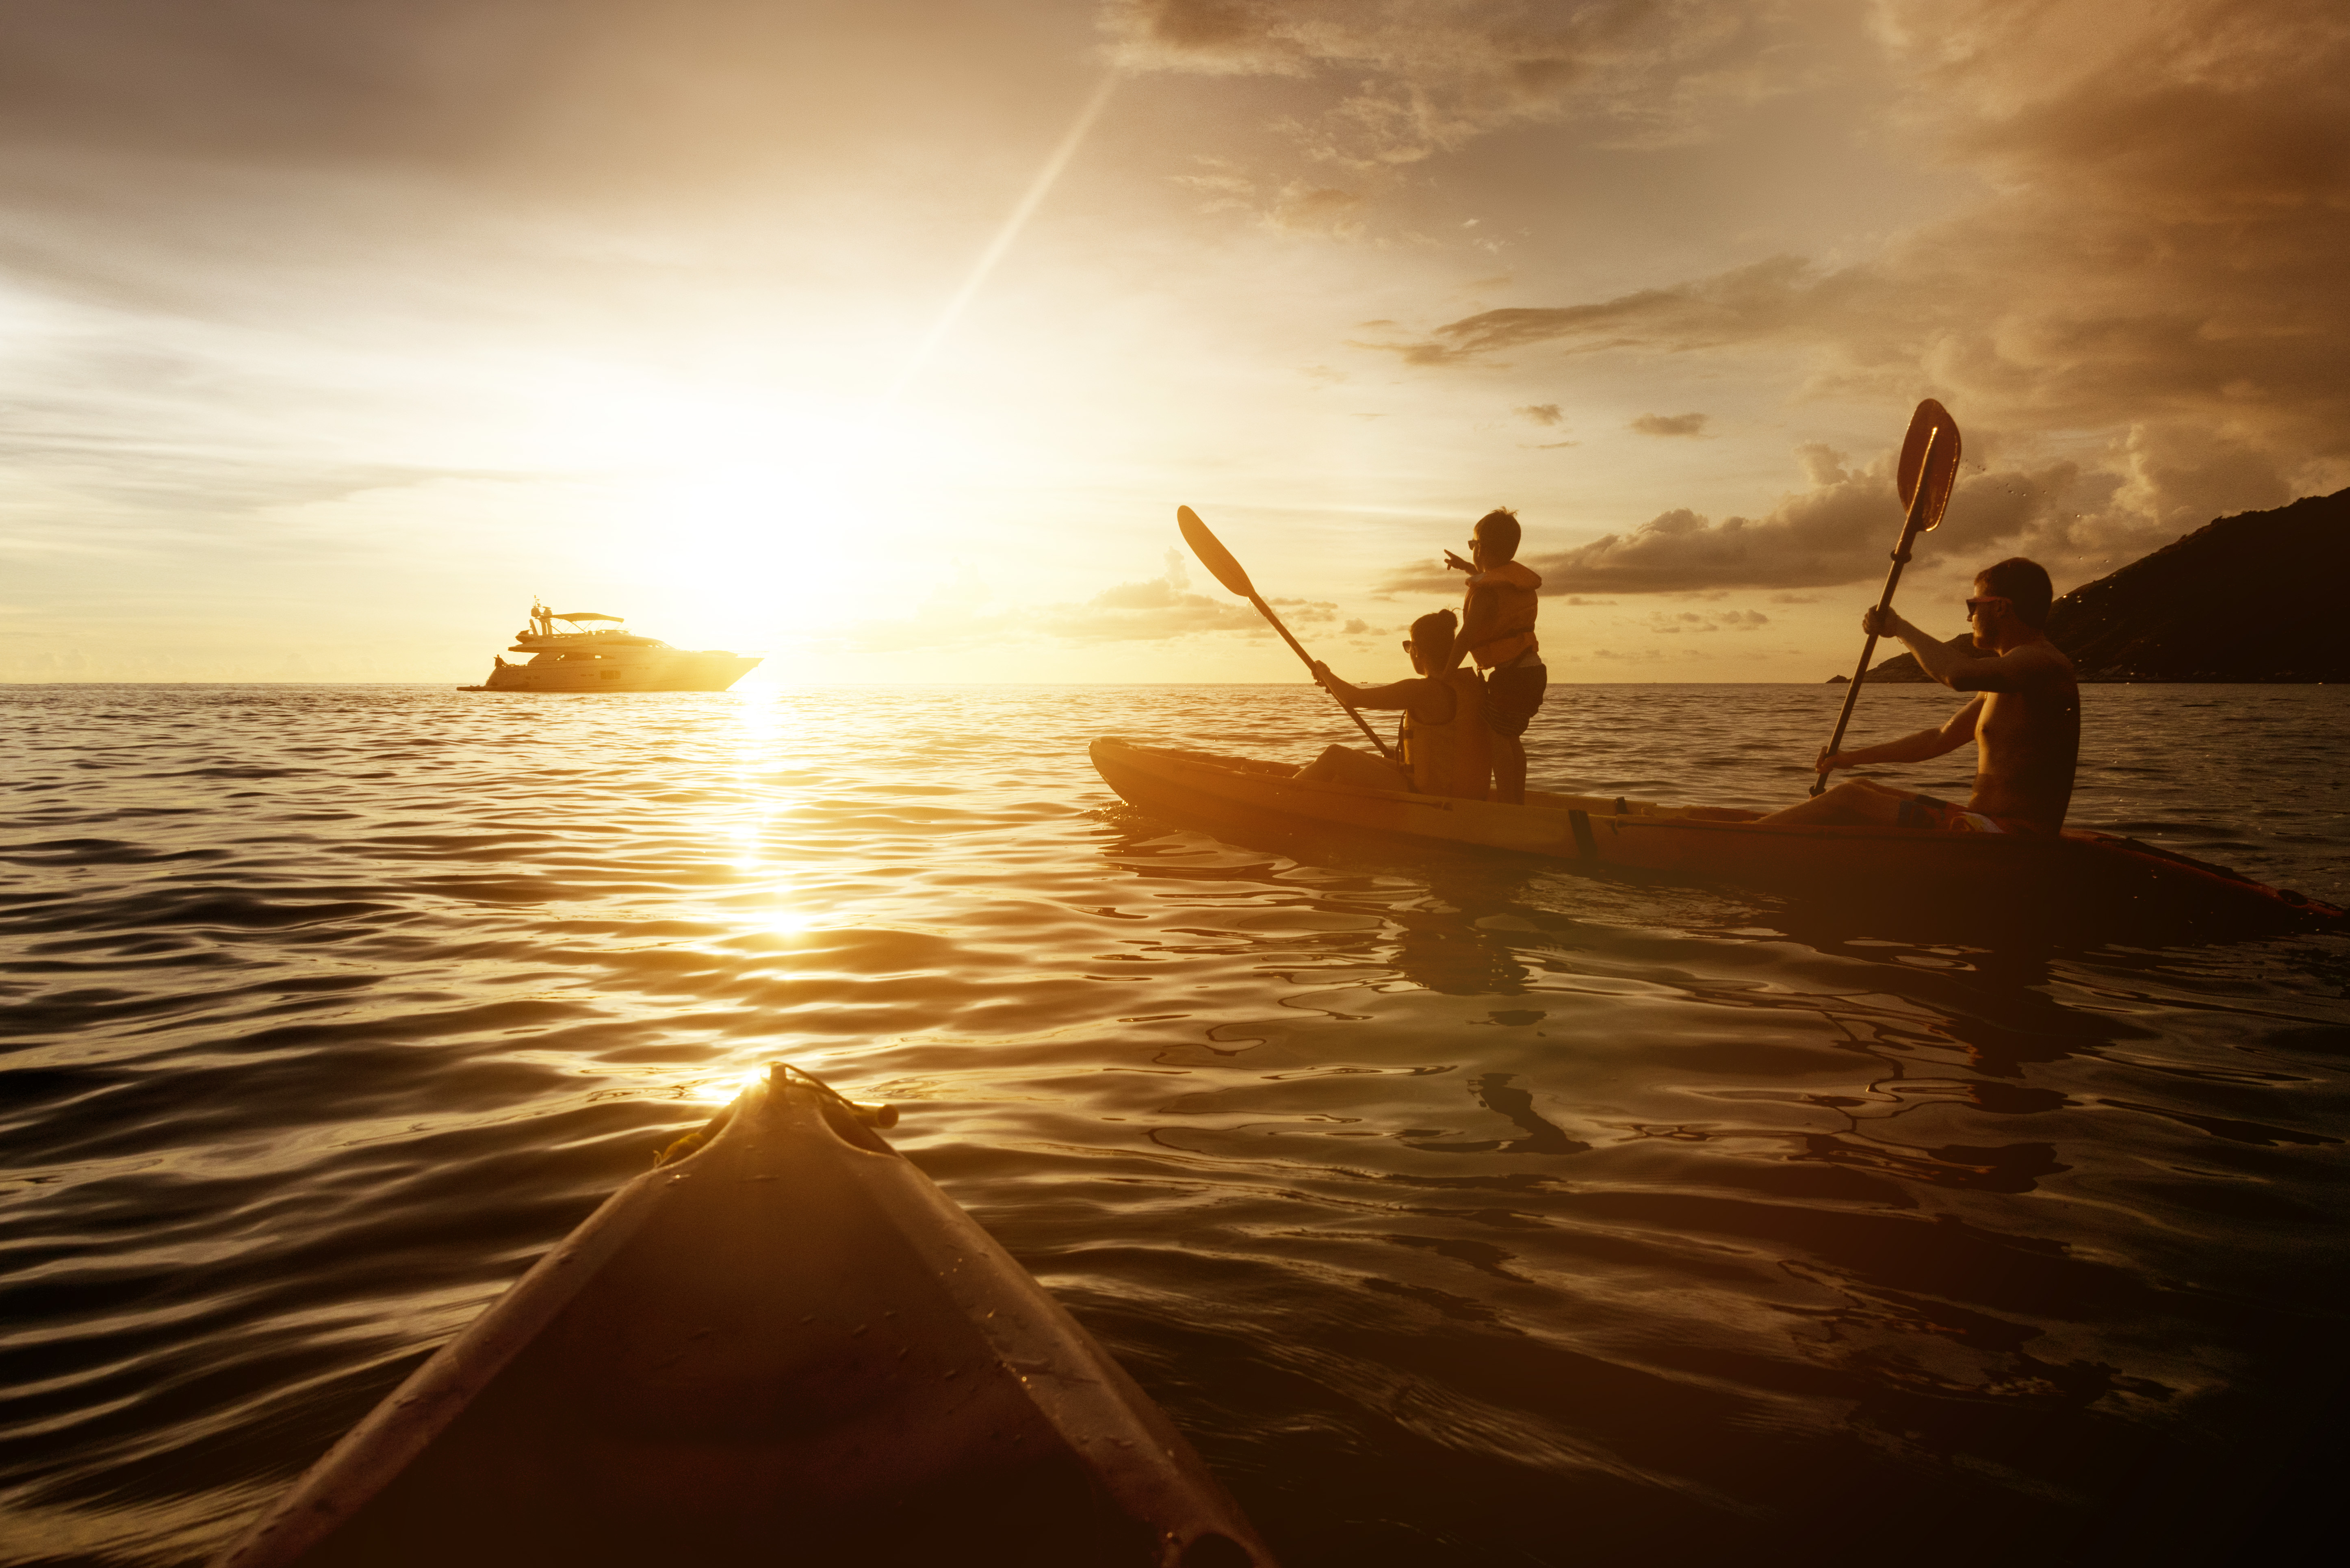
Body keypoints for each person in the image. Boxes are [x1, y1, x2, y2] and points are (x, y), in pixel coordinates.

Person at [1759, 557, 2079, 833]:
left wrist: (1898, 627)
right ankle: (1752, 836)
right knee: (1857, 788)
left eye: (1973, 606)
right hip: (1984, 823)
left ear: (2000, 607)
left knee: (1850, 800)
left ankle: (1741, 841)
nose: (1969, 618)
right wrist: (1851, 759)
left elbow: (1957, 674)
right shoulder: (2009, 675)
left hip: (2014, 835)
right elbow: (1937, 740)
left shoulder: (2040, 661)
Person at [1304, 609, 1491, 799]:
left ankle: (1280, 799)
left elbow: (1353, 698)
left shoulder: (1422, 691)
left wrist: (1325, 673)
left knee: (1335, 756)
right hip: (1458, 792)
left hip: (1434, 798)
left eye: (1409, 646)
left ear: (1417, 650)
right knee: (1357, 758)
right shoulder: (1469, 685)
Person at [1446, 508, 1545, 805]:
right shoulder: (1508, 581)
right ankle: (1516, 802)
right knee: (1511, 736)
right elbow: (1490, 576)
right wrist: (1467, 567)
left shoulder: (1487, 593)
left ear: (1483, 549)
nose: (1472, 550)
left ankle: (1506, 806)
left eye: (1473, 545)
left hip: (1512, 676)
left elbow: (1465, 636)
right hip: (1532, 672)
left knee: (1498, 739)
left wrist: (1447, 672)